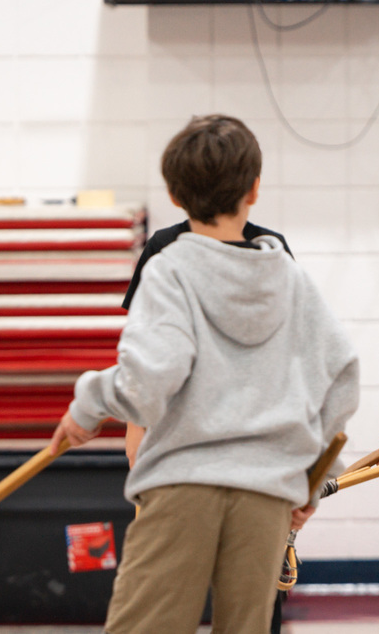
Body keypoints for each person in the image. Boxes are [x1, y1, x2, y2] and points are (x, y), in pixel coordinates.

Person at [50, 114, 359, 634]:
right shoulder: (290, 276)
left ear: (174, 194)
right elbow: (341, 378)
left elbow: (152, 377)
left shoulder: (168, 268)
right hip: (265, 495)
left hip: (184, 486)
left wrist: (88, 403)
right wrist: (311, 478)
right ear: (254, 190)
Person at [120, 135, 296, 634]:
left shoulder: (271, 251)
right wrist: (138, 437)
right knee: (158, 600)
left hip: (250, 459)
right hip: (182, 456)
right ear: (254, 189)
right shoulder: (163, 249)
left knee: (252, 610)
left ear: (173, 193)